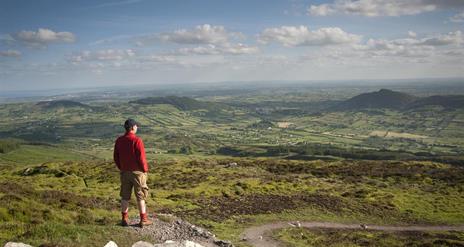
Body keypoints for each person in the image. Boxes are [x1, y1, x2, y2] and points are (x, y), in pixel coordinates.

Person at [114, 118, 153, 227]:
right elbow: (141, 158)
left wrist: (121, 167)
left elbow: (116, 157)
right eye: (136, 126)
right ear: (132, 128)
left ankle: (124, 219)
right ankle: (143, 219)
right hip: (137, 173)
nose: (137, 127)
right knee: (140, 196)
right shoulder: (137, 140)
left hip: (125, 172)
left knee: (125, 196)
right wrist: (145, 170)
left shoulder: (119, 140)